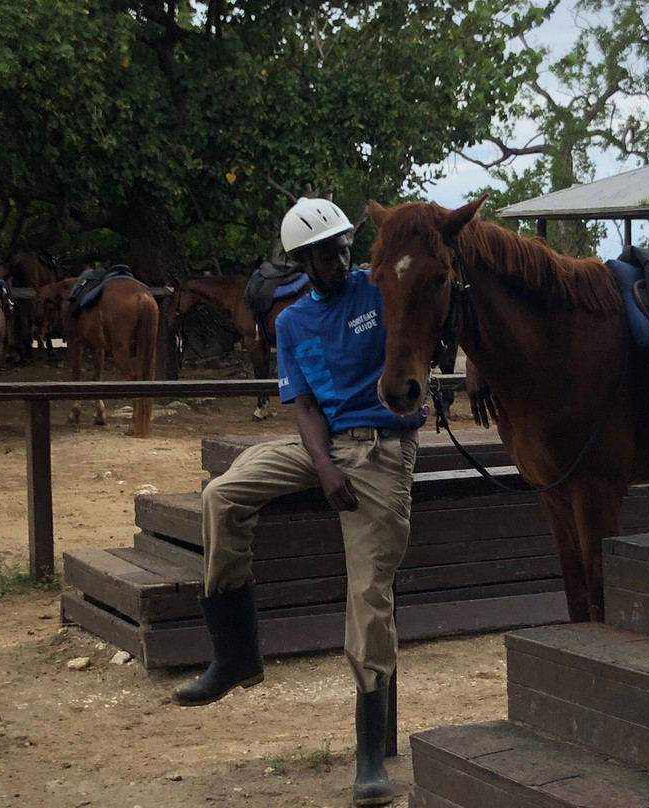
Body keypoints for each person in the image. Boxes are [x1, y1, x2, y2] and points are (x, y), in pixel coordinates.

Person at [171, 197, 425, 807]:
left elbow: (426, 311)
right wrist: (320, 468)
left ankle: (369, 755)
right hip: (323, 446)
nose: (339, 258)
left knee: (368, 594)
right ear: (302, 261)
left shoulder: (375, 290)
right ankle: (235, 656)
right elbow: (304, 407)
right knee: (221, 495)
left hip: (381, 450)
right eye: (325, 252)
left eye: (342, 246)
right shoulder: (291, 323)